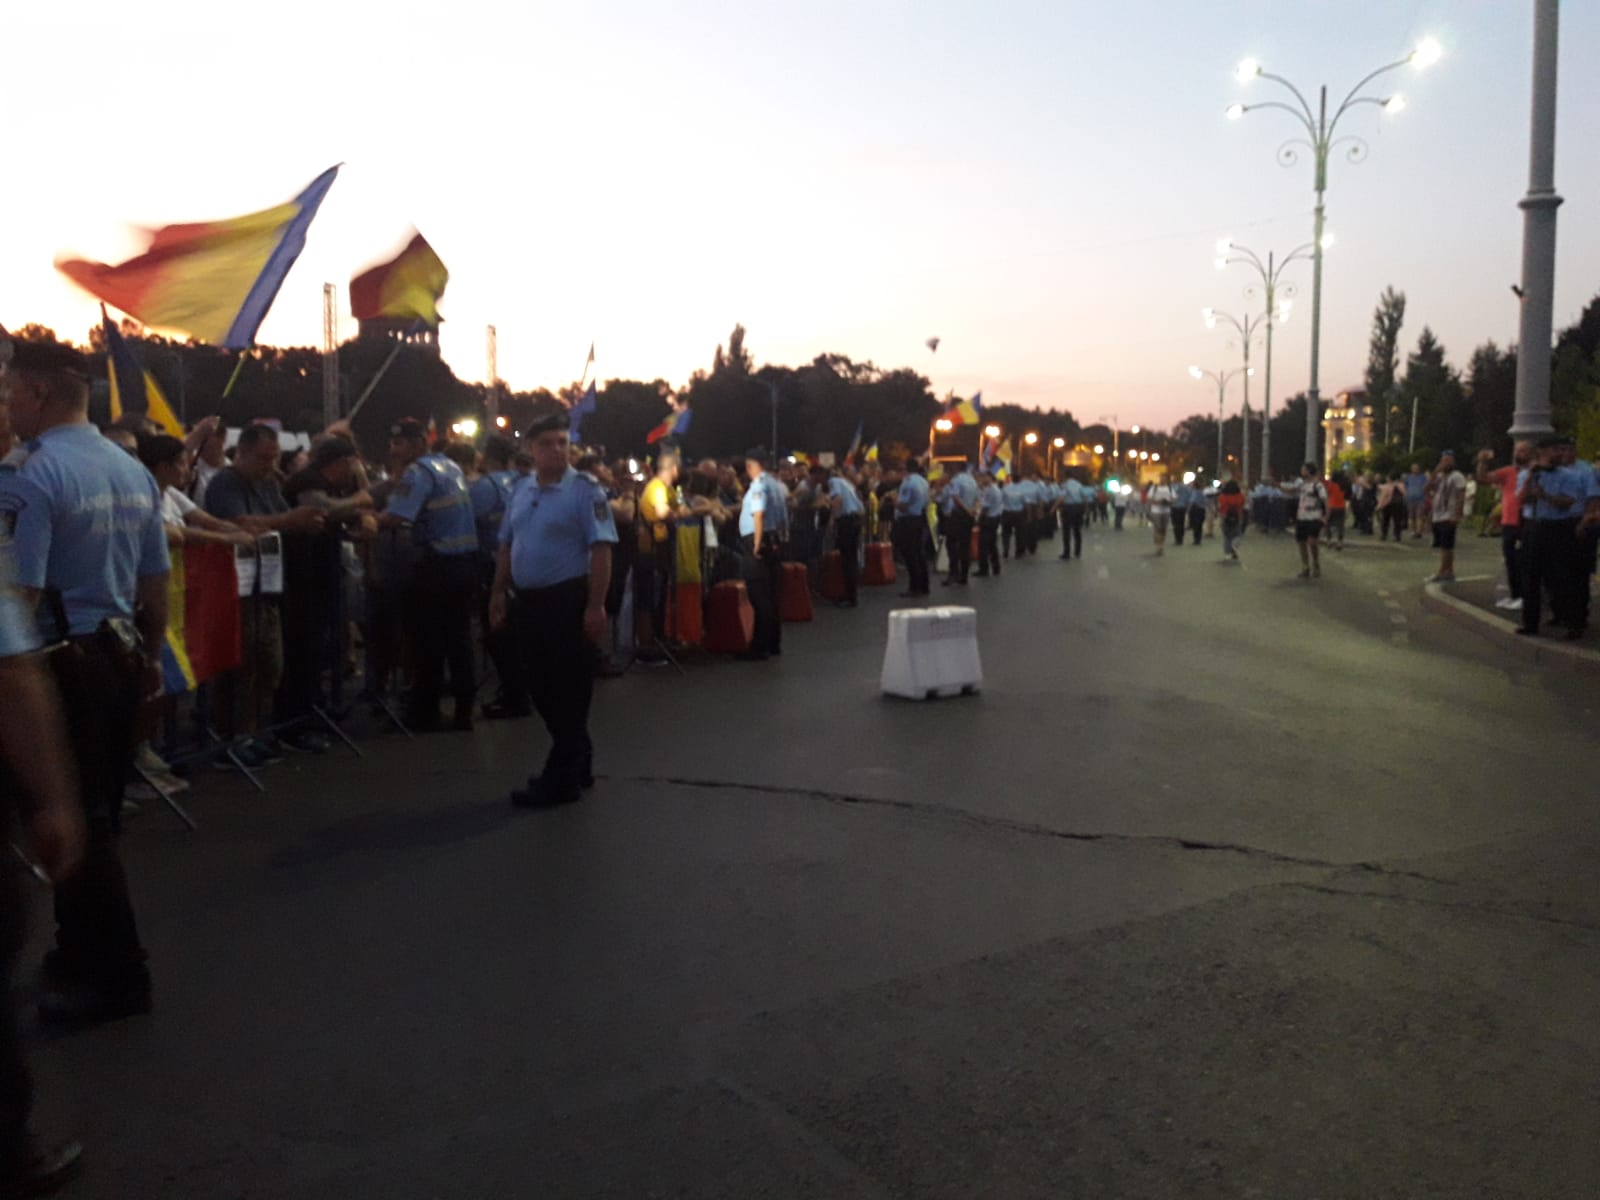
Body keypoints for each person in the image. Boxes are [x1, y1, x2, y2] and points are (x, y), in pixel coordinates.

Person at [0, 341, 167, 1032]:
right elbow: (154, 579)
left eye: (10, 391)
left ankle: (114, 973)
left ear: (38, 393)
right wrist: (151, 659)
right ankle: (79, 955)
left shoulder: (29, 475)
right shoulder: (130, 469)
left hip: (61, 661)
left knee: (76, 822)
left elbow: (21, 594)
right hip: (118, 653)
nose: (7, 405)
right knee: (98, 816)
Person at [489, 408, 616, 807]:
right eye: (547, 444)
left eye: (563, 442)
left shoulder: (585, 491)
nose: (557, 450)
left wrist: (596, 605)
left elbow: (601, 549)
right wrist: (497, 592)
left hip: (566, 599)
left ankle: (559, 779)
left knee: (568, 687)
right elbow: (507, 544)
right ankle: (579, 758)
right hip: (528, 601)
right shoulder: (521, 490)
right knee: (540, 686)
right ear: (530, 449)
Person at [203, 424, 326, 764]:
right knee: (240, 666)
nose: (269, 466)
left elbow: (278, 517)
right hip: (237, 587)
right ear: (241, 452)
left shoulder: (268, 482)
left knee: (268, 663)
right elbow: (239, 523)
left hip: (267, 585)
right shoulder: (225, 483)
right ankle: (232, 737)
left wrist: (301, 522)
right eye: (262, 459)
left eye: (274, 458)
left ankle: (255, 730)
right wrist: (291, 520)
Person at [379, 419, 479, 731]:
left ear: (419, 443)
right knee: (459, 639)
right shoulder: (449, 466)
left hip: (437, 566)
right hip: (464, 563)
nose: (394, 450)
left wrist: (367, 521)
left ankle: (425, 712)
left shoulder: (419, 472)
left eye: (400, 444)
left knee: (428, 641)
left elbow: (397, 515)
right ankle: (464, 710)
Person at [279, 436, 372, 747]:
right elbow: (322, 508)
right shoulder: (309, 480)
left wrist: (361, 515)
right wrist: (360, 500)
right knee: (303, 651)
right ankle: (297, 720)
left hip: (319, 575)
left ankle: (315, 708)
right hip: (302, 578)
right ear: (342, 462)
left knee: (318, 648)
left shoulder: (330, 485)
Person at [470, 436, 527, 716]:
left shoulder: (485, 487)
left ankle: (514, 694)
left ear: (487, 456)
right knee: (519, 633)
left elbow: (468, 520)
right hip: (524, 564)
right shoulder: (523, 483)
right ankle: (521, 690)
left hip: (493, 564)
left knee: (497, 631)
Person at [737, 448, 788, 660]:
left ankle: (760, 646)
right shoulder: (776, 485)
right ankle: (774, 642)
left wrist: (757, 544)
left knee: (759, 595)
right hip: (773, 538)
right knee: (772, 593)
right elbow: (783, 516)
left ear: (751, 465)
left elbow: (758, 514)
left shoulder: (758, 485)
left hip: (758, 540)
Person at [1477, 444, 1533, 612]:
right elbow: (1484, 478)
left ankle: (1525, 595)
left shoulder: (1535, 472)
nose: (1518, 453)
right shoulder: (1508, 471)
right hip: (1509, 520)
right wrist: (1482, 461)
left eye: (1523, 451)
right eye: (1516, 450)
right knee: (1510, 559)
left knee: (1525, 559)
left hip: (1526, 519)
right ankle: (1516, 594)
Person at [818, 465, 865, 603]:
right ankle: (852, 594)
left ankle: (849, 596)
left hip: (846, 521)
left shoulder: (834, 482)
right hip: (856, 519)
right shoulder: (846, 482)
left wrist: (832, 520)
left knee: (847, 558)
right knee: (852, 557)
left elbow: (838, 499)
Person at [1426, 451, 1467, 584]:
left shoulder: (1457, 476)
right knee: (1442, 546)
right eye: (1444, 461)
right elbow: (1426, 488)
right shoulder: (1440, 476)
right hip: (1438, 514)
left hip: (1449, 514)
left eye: (1448, 461)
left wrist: (1458, 514)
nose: (1445, 463)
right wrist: (1435, 471)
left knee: (1447, 545)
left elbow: (1461, 495)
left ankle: (1444, 571)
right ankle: (1447, 570)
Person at [893, 461, 932, 597]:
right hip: (920, 517)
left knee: (910, 554)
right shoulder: (924, 482)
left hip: (908, 520)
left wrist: (894, 501)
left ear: (906, 469)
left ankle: (914, 587)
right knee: (919, 552)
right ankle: (924, 585)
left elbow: (903, 506)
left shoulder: (908, 482)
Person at [939, 461, 977, 586]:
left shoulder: (956, 480)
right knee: (965, 546)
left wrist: (965, 509)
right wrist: (972, 510)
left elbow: (955, 498)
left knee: (951, 544)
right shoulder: (972, 481)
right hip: (969, 516)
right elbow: (977, 498)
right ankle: (964, 575)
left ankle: (954, 573)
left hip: (958, 515)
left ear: (957, 469)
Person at [1292, 462, 1329, 579]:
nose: (1302, 471)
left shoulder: (1318, 486)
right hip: (1301, 517)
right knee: (1301, 542)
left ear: (1309, 471)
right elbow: (1292, 491)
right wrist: (1278, 486)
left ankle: (1316, 563)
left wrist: (1325, 518)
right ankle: (1305, 567)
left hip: (1314, 517)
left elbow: (1325, 501)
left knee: (1312, 542)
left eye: (1304, 469)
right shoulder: (1302, 485)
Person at [974, 471, 1004, 578]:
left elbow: (985, 508)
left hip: (989, 519)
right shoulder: (996, 489)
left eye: (984, 477)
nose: (982, 479)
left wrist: (978, 519)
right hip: (995, 518)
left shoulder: (990, 491)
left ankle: (984, 569)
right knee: (992, 544)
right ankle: (996, 567)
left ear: (989, 478)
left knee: (983, 545)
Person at [1057, 475, 1087, 560]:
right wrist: (1085, 509)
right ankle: (1077, 552)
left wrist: (1053, 508)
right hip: (1078, 508)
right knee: (1077, 531)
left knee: (1066, 531)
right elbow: (1084, 497)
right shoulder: (1079, 485)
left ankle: (1067, 553)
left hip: (1068, 508)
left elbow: (1061, 498)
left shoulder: (1065, 485)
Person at [1217, 478, 1245, 561]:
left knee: (1227, 537)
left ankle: (1228, 553)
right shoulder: (1240, 496)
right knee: (1237, 534)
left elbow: (1221, 508)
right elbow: (1241, 507)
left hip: (1225, 517)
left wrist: (1221, 520)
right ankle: (1234, 546)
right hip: (1237, 517)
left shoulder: (1222, 497)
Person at [1147, 474, 1174, 555]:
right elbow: (1149, 498)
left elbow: (1174, 498)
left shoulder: (1169, 488)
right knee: (1157, 528)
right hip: (1156, 511)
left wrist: (1169, 501)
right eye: (1161, 478)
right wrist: (1157, 501)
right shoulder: (1154, 488)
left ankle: (1161, 544)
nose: (1162, 480)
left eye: (1164, 478)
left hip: (1166, 511)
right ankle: (1159, 547)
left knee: (1163, 529)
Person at [1377, 474, 1408, 543]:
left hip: (1390, 504)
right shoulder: (1400, 485)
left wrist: (1380, 505)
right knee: (1396, 521)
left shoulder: (1387, 486)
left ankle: (1385, 534)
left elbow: (1382, 496)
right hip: (1397, 504)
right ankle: (1396, 536)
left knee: (1386, 520)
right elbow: (1405, 493)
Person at [1404, 462, 1429, 539]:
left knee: (1419, 516)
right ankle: (1413, 531)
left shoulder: (1423, 477)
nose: (1415, 469)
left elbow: (1427, 486)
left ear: (1419, 469)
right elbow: (1405, 487)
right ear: (1411, 469)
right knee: (1411, 516)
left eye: (1416, 468)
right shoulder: (1408, 477)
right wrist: (1406, 495)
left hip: (1420, 499)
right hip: (1410, 499)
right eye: (1414, 468)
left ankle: (1418, 532)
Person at [1323, 474, 1347, 550]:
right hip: (1341, 506)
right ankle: (1339, 542)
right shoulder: (1343, 485)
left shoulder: (1332, 485)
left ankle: (1329, 541)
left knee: (1328, 524)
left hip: (1332, 506)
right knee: (1340, 525)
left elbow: (1327, 493)